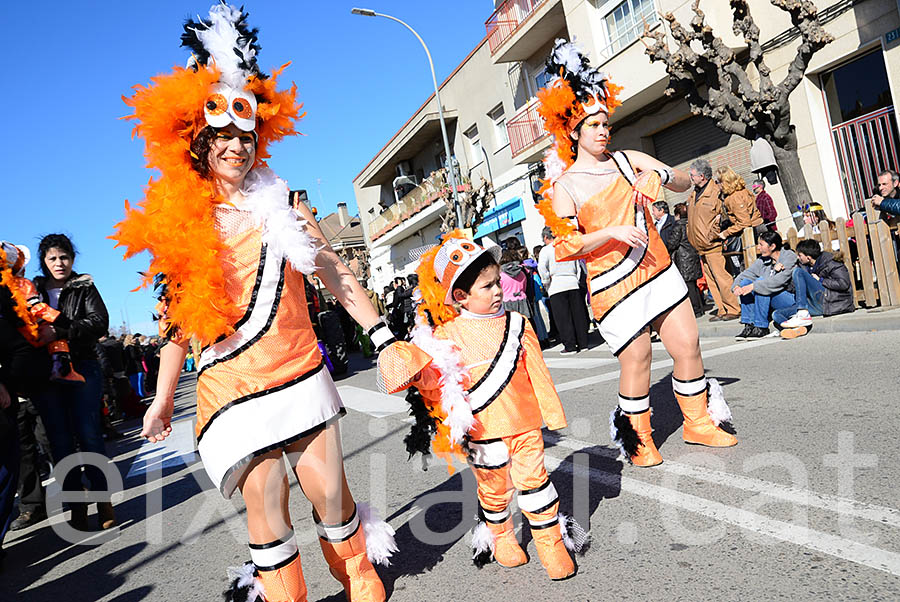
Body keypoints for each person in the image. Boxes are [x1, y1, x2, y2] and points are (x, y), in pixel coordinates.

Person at [113, 6, 396, 600]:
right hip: (230, 382)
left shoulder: (287, 210)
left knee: (327, 491)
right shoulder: (180, 226)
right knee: (267, 502)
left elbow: (336, 274)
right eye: (222, 136)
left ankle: (357, 570)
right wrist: (163, 400)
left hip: (296, 365)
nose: (235, 147)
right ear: (199, 143)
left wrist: (385, 338)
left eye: (246, 136)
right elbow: (175, 325)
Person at [536, 39, 737, 467]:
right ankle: (639, 439)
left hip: (658, 268)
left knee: (688, 344)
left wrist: (660, 174)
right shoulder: (566, 186)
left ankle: (697, 422)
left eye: (606, 123)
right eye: (593, 125)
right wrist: (611, 231)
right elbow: (565, 245)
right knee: (639, 357)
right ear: (573, 131)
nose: (603, 131)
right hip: (611, 282)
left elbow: (685, 182)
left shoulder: (628, 159)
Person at [378, 236, 584, 580]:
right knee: (494, 488)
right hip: (481, 431)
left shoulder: (519, 324)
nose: (499, 290)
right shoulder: (445, 334)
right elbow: (434, 380)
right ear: (461, 296)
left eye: (497, 281)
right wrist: (407, 365)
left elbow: (539, 373)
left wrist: (553, 413)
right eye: (487, 286)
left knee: (536, 483)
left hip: (524, 423)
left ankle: (550, 543)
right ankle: (502, 536)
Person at [30, 233, 115, 531]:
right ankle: (76, 504)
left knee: (89, 433)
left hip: (83, 366)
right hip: (46, 373)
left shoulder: (84, 286)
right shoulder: (31, 290)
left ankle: (103, 499)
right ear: (43, 261)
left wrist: (61, 332)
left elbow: (98, 323)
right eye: (52, 258)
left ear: (72, 259)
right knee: (59, 441)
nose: (59, 263)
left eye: (64, 257)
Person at [0, 245, 50, 560]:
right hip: (11, 385)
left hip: (32, 381)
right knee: (18, 455)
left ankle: (78, 502)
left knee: (44, 444)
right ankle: (30, 506)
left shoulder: (25, 289)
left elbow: (19, 342)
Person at [686, 159, 741, 321]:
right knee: (711, 280)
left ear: (702, 176)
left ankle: (733, 308)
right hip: (700, 245)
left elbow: (726, 215)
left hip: (714, 244)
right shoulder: (694, 193)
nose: (690, 177)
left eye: (692, 175)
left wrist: (716, 232)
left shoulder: (717, 191)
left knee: (722, 278)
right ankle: (722, 309)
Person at [776, 239, 854, 339]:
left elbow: (843, 284)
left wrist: (821, 280)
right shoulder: (805, 266)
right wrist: (781, 273)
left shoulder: (831, 262)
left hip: (829, 301)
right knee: (777, 314)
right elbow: (795, 289)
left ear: (808, 257)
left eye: (800, 255)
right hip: (812, 304)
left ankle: (802, 313)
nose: (797, 257)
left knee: (797, 272)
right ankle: (799, 329)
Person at [731, 231, 798, 339]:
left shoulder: (788, 257)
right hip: (771, 296)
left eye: (761, 244)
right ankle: (749, 324)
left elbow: (779, 281)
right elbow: (745, 274)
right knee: (745, 282)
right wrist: (736, 286)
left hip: (789, 298)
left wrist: (754, 286)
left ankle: (761, 327)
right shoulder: (763, 260)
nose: (758, 248)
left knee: (760, 284)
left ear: (772, 246)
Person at [538, 227, 589, 354]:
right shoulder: (567, 246)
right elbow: (578, 265)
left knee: (563, 318)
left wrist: (546, 282)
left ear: (546, 237)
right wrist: (576, 278)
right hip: (572, 282)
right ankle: (583, 343)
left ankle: (570, 345)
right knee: (578, 315)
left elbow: (542, 268)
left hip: (556, 284)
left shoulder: (546, 250)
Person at [716, 166, 764, 276]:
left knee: (749, 268)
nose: (717, 184)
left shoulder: (734, 197)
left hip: (752, 233)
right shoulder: (742, 191)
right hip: (758, 227)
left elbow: (744, 222)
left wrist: (726, 233)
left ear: (724, 182)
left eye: (718, 182)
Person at [667, 203, 705, 317]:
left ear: (677, 215)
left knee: (688, 285)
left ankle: (696, 309)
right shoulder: (692, 224)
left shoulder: (678, 226)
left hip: (683, 259)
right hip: (693, 255)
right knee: (693, 284)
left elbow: (672, 243)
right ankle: (700, 306)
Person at [499, 248, 532, 318]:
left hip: (507, 302)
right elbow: (525, 287)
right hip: (522, 301)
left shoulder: (501, 275)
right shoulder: (522, 273)